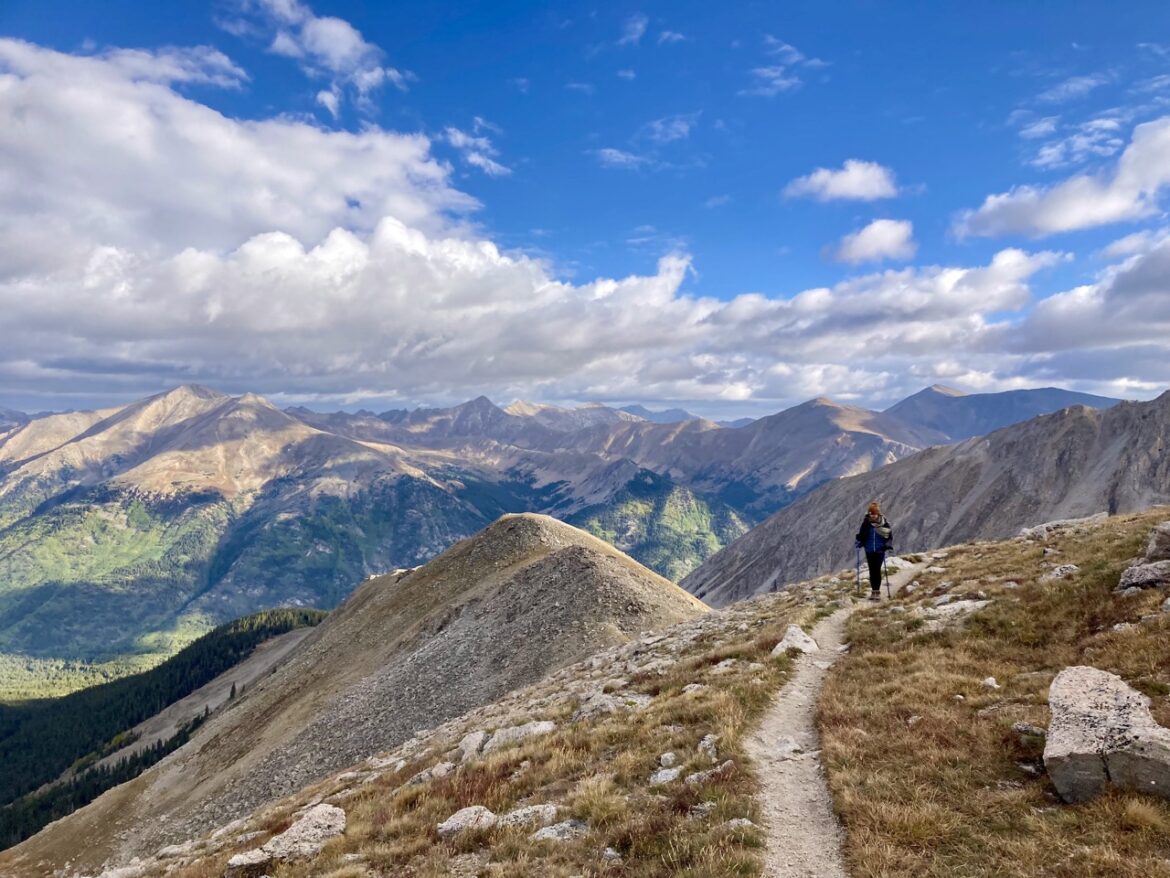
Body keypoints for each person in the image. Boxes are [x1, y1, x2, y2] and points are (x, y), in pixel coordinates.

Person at [856, 501, 893, 600]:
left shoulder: (884, 523)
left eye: (874, 513)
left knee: (876, 570)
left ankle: (877, 591)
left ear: (878, 513)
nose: (873, 516)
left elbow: (889, 536)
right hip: (869, 550)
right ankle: (874, 591)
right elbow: (862, 534)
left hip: (880, 550)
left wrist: (886, 546)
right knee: (872, 571)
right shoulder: (866, 523)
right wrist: (859, 541)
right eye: (871, 513)